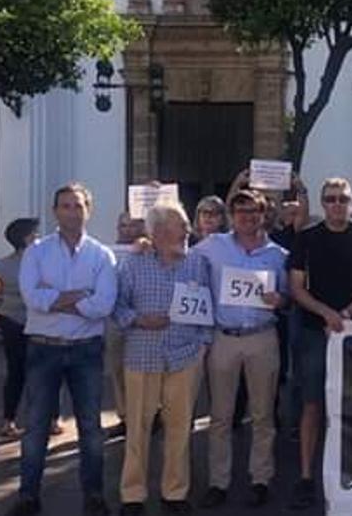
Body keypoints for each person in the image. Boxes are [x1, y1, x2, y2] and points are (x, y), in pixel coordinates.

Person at [10, 184, 118, 516]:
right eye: (65, 206)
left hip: (86, 350)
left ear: (89, 210)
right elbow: (33, 299)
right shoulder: (36, 252)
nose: (72, 211)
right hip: (44, 350)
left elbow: (104, 305)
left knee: (90, 427)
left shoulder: (102, 255)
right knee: (36, 427)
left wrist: (56, 298)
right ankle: (28, 496)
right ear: (55, 211)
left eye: (78, 205)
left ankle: (94, 496)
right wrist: (78, 295)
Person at [286, 178, 352, 509]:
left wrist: (344, 315)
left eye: (343, 199)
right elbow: (297, 288)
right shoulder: (307, 239)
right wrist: (326, 314)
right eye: (330, 199)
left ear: (351, 202)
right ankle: (305, 477)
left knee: (351, 407)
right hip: (315, 333)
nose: (337, 204)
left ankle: (350, 474)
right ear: (322, 203)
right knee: (312, 404)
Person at [113, 202, 210, 516]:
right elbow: (117, 305)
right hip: (143, 355)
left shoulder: (198, 263)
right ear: (159, 232)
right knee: (138, 428)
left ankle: (175, 493)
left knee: (180, 428)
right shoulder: (133, 263)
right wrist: (139, 320)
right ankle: (133, 495)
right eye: (181, 225)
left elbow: (207, 309)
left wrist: (202, 347)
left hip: (184, 355)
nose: (187, 231)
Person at [197, 190, 290, 508]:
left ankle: (260, 478)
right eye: (241, 211)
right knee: (220, 416)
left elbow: (290, 295)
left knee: (263, 415)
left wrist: (280, 300)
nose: (247, 216)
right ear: (232, 215)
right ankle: (218, 482)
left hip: (262, 336)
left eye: (254, 211)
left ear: (264, 214)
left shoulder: (278, 255)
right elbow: (180, 257)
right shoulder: (213, 246)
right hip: (224, 337)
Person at [0, 217, 62, 439]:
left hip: (20, 321)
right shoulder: (43, 264)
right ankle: (49, 419)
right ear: (26, 238)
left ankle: (11, 421)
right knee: (43, 371)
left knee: (20, 372)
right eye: (35, 234)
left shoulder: (2, 265)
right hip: (29, 321)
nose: (39, 238)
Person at [104, 212, 146, 440]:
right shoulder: (107, 252)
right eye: (122, 225)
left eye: (132, 226)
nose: (126, 230)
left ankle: (150, 415)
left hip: (143, 320)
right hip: (114, 319)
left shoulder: (150, 250)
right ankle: (125, 417)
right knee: (118, 370)